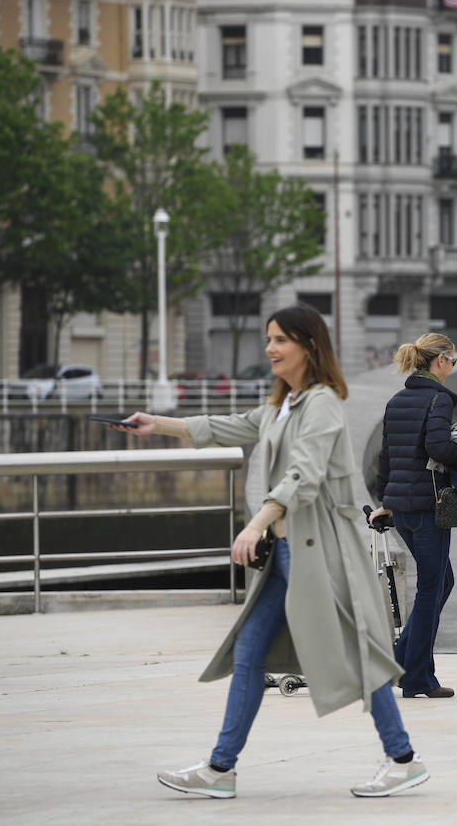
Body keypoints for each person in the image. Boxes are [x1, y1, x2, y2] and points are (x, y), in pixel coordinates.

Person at [119, 304, 428, 798]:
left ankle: (402, 758)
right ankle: (221, 769)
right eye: (269, 339)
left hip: (321, 553)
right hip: (288, 556)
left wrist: (258, 522)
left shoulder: (323, 403)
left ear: (308, 345)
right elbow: (228, 427)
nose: (270, 348)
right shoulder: (284, 404)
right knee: (250, 652)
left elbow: (303, 473)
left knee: (358, 650)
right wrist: (156, 423)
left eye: (280, 339)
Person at [368, 333, 457, 700]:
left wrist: (386, 500)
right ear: (440, 360)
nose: (451, 368)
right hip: (430, 507)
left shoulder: (397, 400)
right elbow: (437, 447)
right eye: (452, 361)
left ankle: (398, 662)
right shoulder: (439, 399)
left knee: (441, 582)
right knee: (431, 589)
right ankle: (417, 679)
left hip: (402, 509)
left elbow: (386, 457)